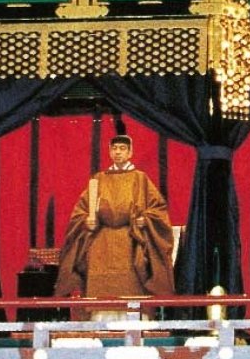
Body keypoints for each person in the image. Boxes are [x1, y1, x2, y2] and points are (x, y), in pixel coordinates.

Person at [53, 133, 175, 314]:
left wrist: (145, 219)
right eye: (115, 148)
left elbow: (158, 209)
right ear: (109, 152)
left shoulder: (140, 178)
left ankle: (134, 323)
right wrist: (87, 221)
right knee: (100, 295)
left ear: (130, 152)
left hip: (130, 240)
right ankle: (98, 325)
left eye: (123, 149)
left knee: (131, 290)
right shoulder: (99, 179)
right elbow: (81, 210)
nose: (118, 152)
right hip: (101, 243)